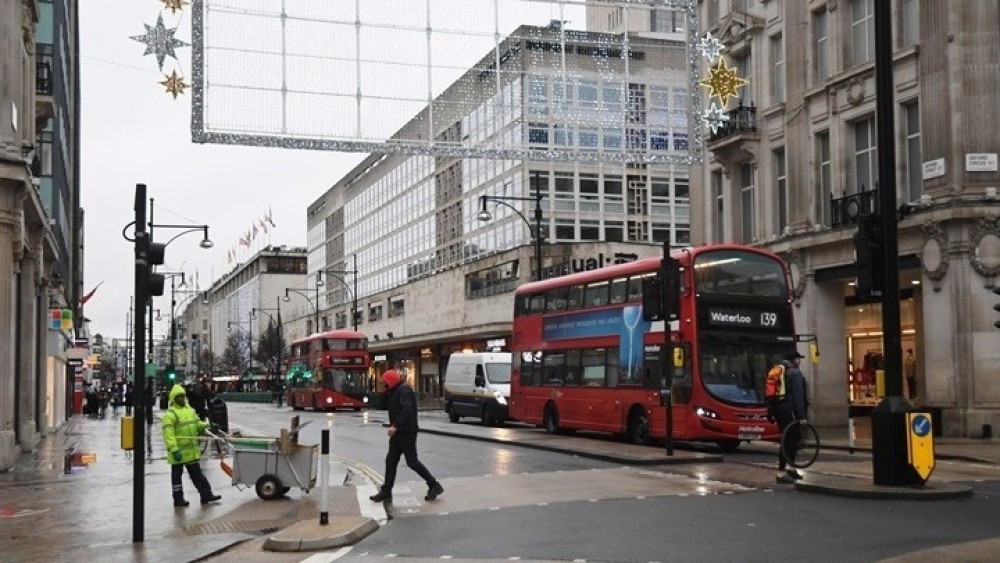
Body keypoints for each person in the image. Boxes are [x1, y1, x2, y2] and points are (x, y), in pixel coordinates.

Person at [369, 369, 444, 503]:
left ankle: (434, 485)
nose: (383, 385)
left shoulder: (404, 391)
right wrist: (385, 393)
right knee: (391, 461)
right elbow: (381, 406)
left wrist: (395, 425)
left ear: (390, 381)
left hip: (407, 432)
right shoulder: (394, 391)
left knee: (412, 461)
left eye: (384, 383)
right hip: (399, 433)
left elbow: (407, 409)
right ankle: (386, 491)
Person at [162, 384, 222, 507]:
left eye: (182, 396)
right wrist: (174, 449)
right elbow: (169, 435)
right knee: (177, 479)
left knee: (198, 476)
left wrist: (208, 425)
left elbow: (197, 424)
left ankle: (206, 494)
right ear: (173, 398)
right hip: (178, 452)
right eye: (178, 397)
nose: (181, 399)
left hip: (190, 452)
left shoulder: (190, 410)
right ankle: (178, 499)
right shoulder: (170, 414)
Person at [772, 351, 808, 484]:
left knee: (789, 439)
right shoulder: (795, 373)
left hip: (779, 410)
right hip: (790, 411)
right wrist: (802, 415)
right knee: (790, 440)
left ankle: (791, 468)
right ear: (794, 360)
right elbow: (798, 396)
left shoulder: (779, 370)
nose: (800, 361)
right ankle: (781, 472)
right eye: (798, 359)